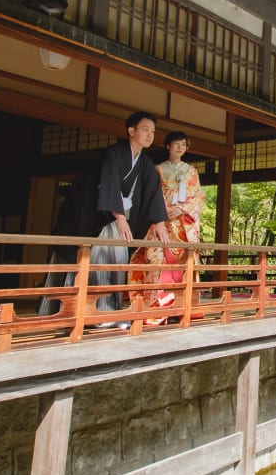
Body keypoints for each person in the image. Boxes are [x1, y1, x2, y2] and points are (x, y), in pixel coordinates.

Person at [39, 112, 170, 318]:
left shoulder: (145, 163)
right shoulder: (114, 154)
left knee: (117, 260)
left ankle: (109, 311)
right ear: (131, 131)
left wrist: (160, 223)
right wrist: (119, 218)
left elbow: (153, 190)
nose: (150, 135)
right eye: (145, 129)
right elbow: (109, 184)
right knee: (102, 259)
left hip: (117, 216)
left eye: (153, 131)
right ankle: (98, 312)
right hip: (95, 215)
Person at [128, 131, 204, 324]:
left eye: (183, 144)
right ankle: (156, 309)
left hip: (183, 226)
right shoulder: (157, 169)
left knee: (184, 265)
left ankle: (183, 308)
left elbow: (198, 197)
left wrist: (181, 209)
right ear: (168, 146)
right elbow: (150, 196)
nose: (180, 147)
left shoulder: (192, 172)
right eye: (176, 143)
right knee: (155, 260)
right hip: (160, 223)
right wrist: (162, 211)